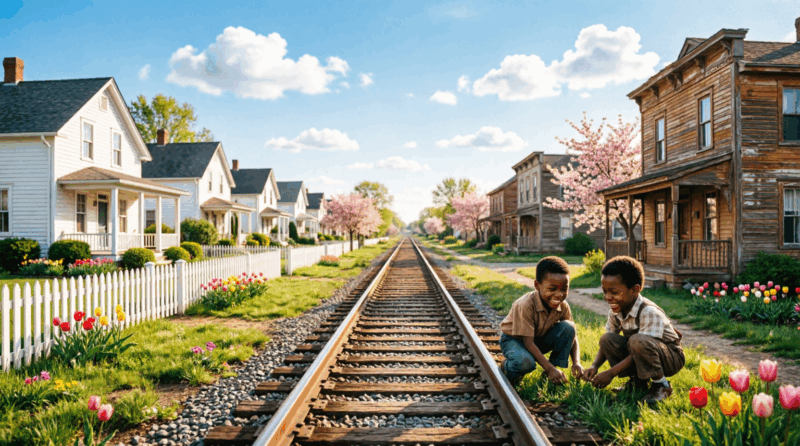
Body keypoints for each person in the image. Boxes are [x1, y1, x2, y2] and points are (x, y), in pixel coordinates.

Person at [583, 256, 685, 404]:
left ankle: (661, 385)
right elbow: (609, 343)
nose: (607, 297)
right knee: (607, 339)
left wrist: (611, 373)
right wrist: (595, 366)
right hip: (643, 351)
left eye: (614, 292)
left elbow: (640, 347)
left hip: (670, 357)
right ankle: (637, 383)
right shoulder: (616, 311)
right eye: (605, 291)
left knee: (637, 341)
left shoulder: (648, 312)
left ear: (635, 289)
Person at [499, 256, 583, 386]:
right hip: (515, 340)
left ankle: (551, 374)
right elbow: (528, 343)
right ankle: (507, 367)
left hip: (538, 339)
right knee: (526, 363)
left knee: (568, 327)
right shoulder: (526, 304)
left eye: (564, 289)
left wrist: (576, 362)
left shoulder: (563, 305)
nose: (559, 294)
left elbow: (572, 336)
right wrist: (549, 368)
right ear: (537, 285)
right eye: (552, 289)